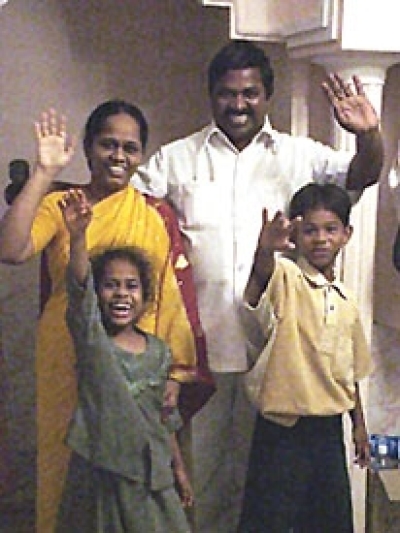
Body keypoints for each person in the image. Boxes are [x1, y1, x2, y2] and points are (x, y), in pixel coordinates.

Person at [131, 40, 383, 532]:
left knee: (261, 495)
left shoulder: (299, 155)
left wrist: (369, 134)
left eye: (250, 93)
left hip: (275, 362)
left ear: (267, 95)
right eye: (228, 94)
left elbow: (362, 174)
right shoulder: (176, 160)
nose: (239, 104)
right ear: (212, 96)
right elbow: (122, 209)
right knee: (195, 484)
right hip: (199, 355)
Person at [0, 100, 213, 532]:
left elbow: (169, 300)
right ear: (88, 147)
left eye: (130, 147)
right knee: (66, 475)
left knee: (135, 490)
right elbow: (11, 250)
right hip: (69, 358)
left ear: (141, 155)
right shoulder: (62, 204)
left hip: (135, 371)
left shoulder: (155, 215)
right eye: (108, 144)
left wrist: (172, 375)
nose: (118, 156)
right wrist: (42, 173)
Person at [57, 187, 193, 532]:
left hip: (151, 477)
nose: (121, 294)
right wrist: (78, 237)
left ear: (145, 296)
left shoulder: (160, 352)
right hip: (102, 473)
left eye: (131, 286)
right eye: (111, 285)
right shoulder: (93, 342)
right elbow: (79, 291)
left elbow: (166, 418)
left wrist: (178, 469)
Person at [237, 182, 371, 533]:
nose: (321, 239)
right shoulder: (288, 277)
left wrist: (359, 425)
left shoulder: (347, 300)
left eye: (330, 230)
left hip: (328, 429)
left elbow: (351, 368)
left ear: (346, 234)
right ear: (296, 234)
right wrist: (264, 252)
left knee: (331, 519)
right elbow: (259, 283)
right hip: (282, 429)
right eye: (310, 230)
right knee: (270, 520)